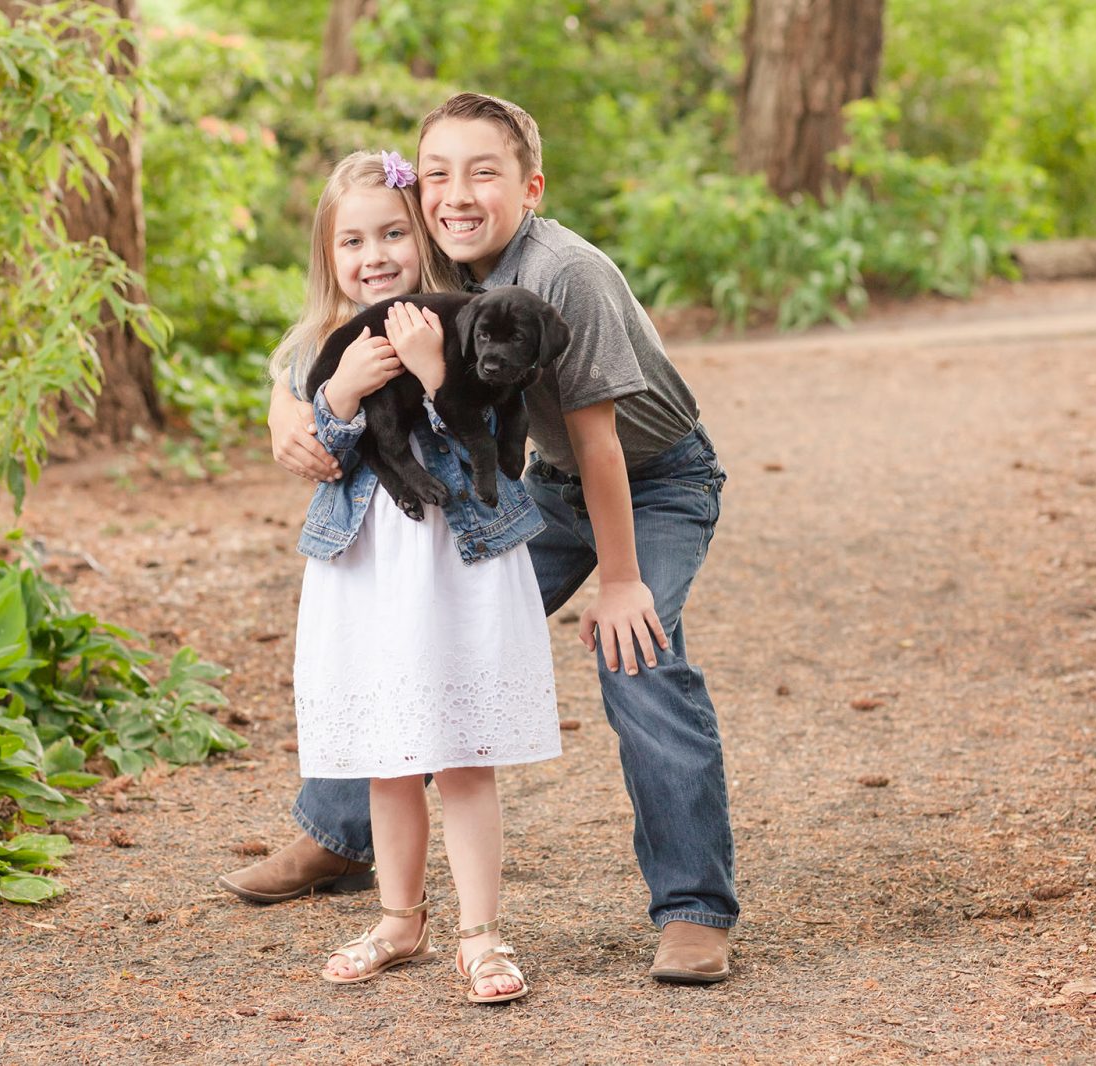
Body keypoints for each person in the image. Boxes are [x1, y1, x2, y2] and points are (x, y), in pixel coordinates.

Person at [224, 93, 737, 984]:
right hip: (533, 483)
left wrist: (621, 583)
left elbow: (600, 443)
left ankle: (694, 908)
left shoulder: (565, 273)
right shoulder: (436, 265)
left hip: (650, 480)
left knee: (640, 655)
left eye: (483, 174)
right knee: (419, 646)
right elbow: (314, 339)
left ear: (531, 187)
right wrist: (283, 409)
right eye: (437, 176)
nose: (457, 194)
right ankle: (342, 839)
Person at [265, 148, 562, 1003]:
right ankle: (399, 920)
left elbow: (498, 440)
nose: (375, 255)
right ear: (329, 258)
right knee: (386, 753)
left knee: (464, 750)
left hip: (456, 561)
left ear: (422, 238)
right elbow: (317, 456)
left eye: (393, 232)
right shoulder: (320, 347)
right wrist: (342, 399)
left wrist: (434, 375)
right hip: (364, 570)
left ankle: (482, 933)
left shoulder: (468, 321)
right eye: (352, 241)